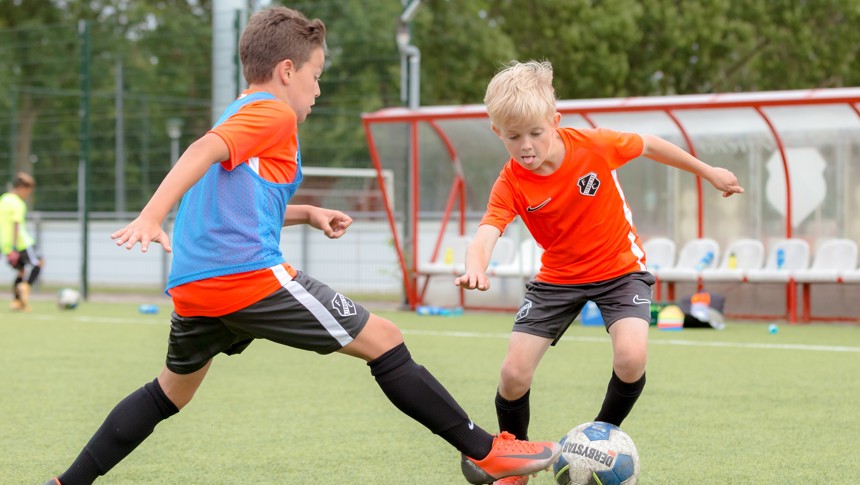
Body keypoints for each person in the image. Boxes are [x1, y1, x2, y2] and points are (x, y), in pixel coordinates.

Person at [43, 9, 560, 485]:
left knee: (169, 392)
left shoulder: (241, 112)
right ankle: (486, 450)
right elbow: (200, 151)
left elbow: (239, 206)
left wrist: (307, 213)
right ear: (287, 70)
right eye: (315, 76)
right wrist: (151, 215)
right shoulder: (274, 113)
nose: (318, 89)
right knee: (384, 338)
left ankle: (66, 483)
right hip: (242, 278)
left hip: (195, 287)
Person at [454, 60, 744, 485]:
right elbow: (487, 230)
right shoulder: (511, 180)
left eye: (535, 132)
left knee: (631, 357)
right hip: (557, 277)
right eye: (513, 137)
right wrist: (475, 265)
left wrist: (709, 172)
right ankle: (515, 459)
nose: (526, 146)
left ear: (555, 122)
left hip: (620, 269)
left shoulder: (594, 145)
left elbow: (650, 144)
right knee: (513, 374)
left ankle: (596, 442)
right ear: (498, 132)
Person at [0, 171, 44, 312]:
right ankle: (26, 287)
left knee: (20, 271)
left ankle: (16, 301)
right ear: (21, 188)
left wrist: (8, 248)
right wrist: (14, 247)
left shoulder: (3, 200)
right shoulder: (18, 203)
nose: (27, 195)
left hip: (4, 245)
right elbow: (16, 225)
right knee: (39, 263)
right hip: (21, 243)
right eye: (28, 191)